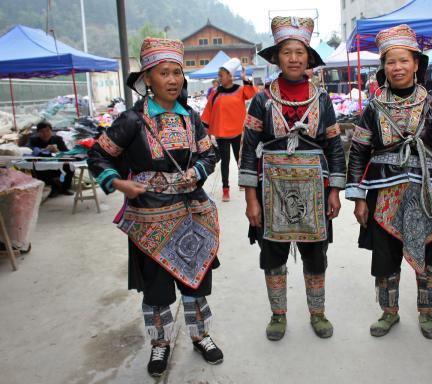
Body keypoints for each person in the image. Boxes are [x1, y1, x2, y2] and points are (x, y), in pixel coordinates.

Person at [87, 38, 222, 377]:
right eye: (164, 73)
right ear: (148, 78)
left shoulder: (191, 118)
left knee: (195, 282)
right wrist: (119, 183)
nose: (173, 79)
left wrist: (197, 172)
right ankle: (160, 343)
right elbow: (98, 155)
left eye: (177, 72)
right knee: (157, 287)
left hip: (192, 215)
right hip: (150, 219)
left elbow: (210, 153)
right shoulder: (131, 121)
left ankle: (200, 334)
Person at [345, 25, 432, 339]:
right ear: (384, 68)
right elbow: (358, 151)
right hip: (383, 193)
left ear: (416, 63)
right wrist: (359, 197)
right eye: (390, 62)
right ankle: (389, 312)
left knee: (428, 256)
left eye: (403, 61)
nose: (396, 67)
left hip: (428, 194)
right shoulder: (373, 108)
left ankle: (427, 313)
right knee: (385, 258)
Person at [239, 17, 346, 341]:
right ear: (277, 57)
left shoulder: (322, 100)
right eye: (287, 52)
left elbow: (334, 147)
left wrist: (335, 192)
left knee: (316, 256)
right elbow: (248, 150)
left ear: (308, 57)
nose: (294, 58)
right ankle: (278, 315)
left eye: (300, 52)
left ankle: (318, 313)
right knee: (273, 256)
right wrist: (251, 198)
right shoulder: (261, 100)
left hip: (315, 191)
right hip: (271, 192)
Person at [201, 58, 257, 201]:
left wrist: (245, 79)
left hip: (238, 131)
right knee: (225, 161)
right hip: (221, 133)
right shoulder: (216, 92)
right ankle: (225, 189)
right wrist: (205, 131)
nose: (219, 78)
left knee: (240, 158)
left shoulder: (240, 89)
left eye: (221, 75)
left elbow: (252, 94)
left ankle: (242, 182)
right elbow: (208, 110)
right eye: (219, 75)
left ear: (229, 75)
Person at [27, 120, 74, 197]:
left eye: (47, 131)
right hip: (43, 167)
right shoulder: (33, 139)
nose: (45, 134)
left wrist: (57, 151)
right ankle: (53, 188)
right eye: (42, 131)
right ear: (38, 133)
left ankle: (65, 188)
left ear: (51, 131)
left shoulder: (58, 139)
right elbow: (27, 149)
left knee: (70, 166)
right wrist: (43, 150)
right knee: (39, 168)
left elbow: (67, 152)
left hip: (57, 166)